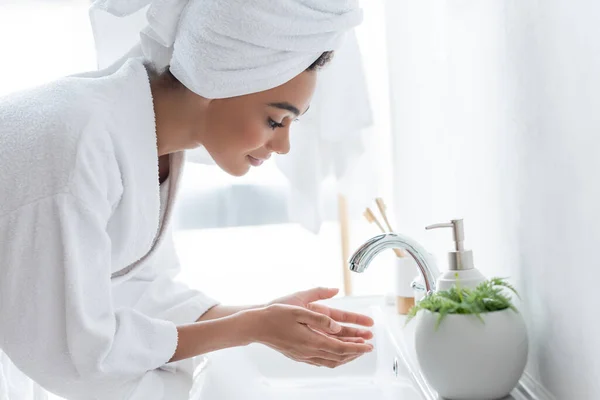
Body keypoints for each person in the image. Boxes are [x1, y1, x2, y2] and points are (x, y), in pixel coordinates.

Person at [0, 0, 373, 398]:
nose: (283, 145)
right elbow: (73, 349)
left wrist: (262, 315)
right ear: (220, 78)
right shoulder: (77, 142)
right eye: (274, 120)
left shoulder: (146, 140)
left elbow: (136, 289)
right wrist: (253, 328)